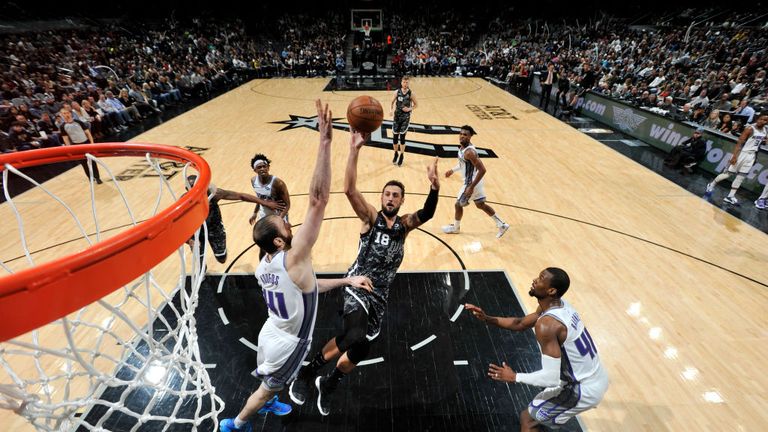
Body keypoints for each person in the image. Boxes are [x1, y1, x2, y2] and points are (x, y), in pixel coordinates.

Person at [219, 100, 374, 432]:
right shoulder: (294, 257)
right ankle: (237, 423)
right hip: (289, 343)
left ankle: (268, 398)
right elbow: (318, 198)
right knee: (265, 389)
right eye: (282, 223)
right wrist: (325, 141)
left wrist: (346, 282)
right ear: (278, 240)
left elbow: (309, 286)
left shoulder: (266, 264)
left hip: (270, 332)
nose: (288, 222)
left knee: (268, 379)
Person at [287, 129, 440, 416]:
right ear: (381, 198)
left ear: (402, 201)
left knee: (360, 349)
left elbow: (428, 213)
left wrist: (434, 187)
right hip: (358, 284)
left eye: (396, 195)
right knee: (355, 334)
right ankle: (307, 373)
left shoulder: (403, 226)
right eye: (387, 194)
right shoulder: (371, 218)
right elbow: (349, 190)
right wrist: (355, 149)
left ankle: (329, 383)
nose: (391, 198)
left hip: (380, 296)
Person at [465, 267, 609, 431]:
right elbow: (520, 323)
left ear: (551, 290)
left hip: (582, 388)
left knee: (528, 420)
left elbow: (550, 378)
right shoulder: (559, 306)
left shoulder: (547, 325)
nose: (534, 280)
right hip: (593, 376)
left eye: (541, 278)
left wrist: (514, 377)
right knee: (531, 416)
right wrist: (487, 318)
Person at [184, 175, 285, 265]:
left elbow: (240, 196)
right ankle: (201, 272)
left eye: (197, 185)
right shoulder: (183, 204)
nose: (195, 188)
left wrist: (265, 203)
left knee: (221, 259)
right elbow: (177, 230)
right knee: (199, 260)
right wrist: (190, 241)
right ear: (187, 189)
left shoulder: (214, 194)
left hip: (215, 229)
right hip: (196, 232)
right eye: (192, 187)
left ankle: (220, 253)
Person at [442, 125, 509, 238]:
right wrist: (452, 170)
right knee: (480, 205)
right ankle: (501, 224)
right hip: (476, 183)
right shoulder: (462, 148)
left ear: (470, 137)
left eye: (465, 135)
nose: (462, 136)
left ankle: (456, 228)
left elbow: (482, 170)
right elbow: (463, 163)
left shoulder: (469, 152)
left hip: (471, 183)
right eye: (461, 134)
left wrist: (471, 187)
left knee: (458, 205)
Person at [704, 113, 768, 205]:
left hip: (752, 155)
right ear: (757, 119)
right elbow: (739, 143)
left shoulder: (765, 130)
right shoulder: (750, 128)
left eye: (765, 120)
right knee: (728, 174)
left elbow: (762, 141)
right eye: (761, 119)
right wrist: (734, 156)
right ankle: (712, 184)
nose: (762, 121)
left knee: (741, 177)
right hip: (742, 153)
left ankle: (730, 196)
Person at [58, 109, 102, 183]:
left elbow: (88, 133)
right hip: (76, 146)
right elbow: (66, 140)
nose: (66, 114)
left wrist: (92, 143)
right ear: (62, 115)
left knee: (92, 161)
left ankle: (97, 177)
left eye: (67, 112)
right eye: (64, 113)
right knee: (84, 163)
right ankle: (90, 178)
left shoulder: (78, 122)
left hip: (86, 143)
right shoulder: (63, 126)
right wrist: (69, 150)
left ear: (70, 113)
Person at [248, 154, 290, 225]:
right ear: (255, 170)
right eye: (259, 167)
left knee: (283, 236)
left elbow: (288, 205)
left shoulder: (278, 183)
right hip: (264, 215)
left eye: (264, 166)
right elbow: (259, 199)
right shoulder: (254, 181)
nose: (262, 169)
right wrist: (255, 213)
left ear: (268, 167)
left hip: (279, 215)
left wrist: (279, 219)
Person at [389, 76, 417, 167]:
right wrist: (390, 110)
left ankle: (401, 155)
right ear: (401, 83)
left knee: (402, 138)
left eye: (407, 83)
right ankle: (395, 153)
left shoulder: (411, 93)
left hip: (405, 117)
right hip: (397, 117)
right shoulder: (397, 92)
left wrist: (409, 108)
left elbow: (416, 105)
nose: (405, 84)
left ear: (408, 83)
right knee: (395, 138)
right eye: (404, 82)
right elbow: (392, 102)